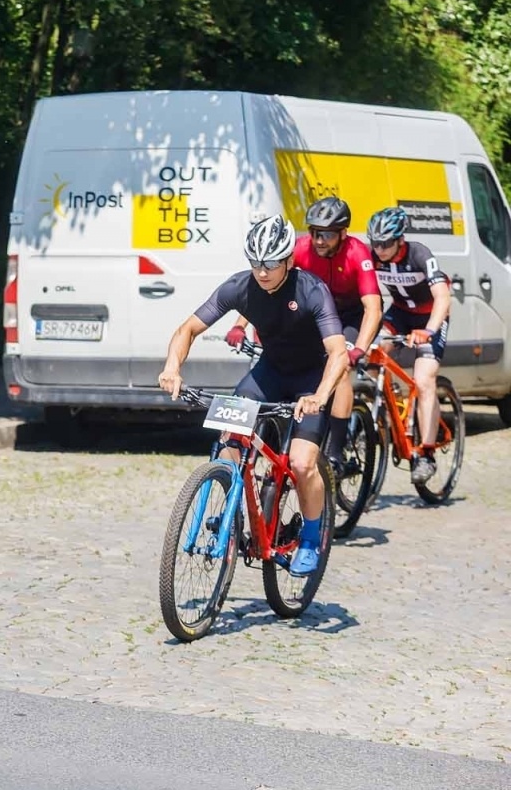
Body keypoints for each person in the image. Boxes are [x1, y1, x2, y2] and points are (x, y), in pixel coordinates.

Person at [160, 215, 348, 576]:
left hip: (310, 379)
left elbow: (338, 353)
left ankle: (311, 537)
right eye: (256, 263)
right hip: (269, 373)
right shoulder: (239, 287)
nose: (262, 272)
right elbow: (188, 329)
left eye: (271, 263)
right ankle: (230, 510)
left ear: (289, 261)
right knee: (229, 445)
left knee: (302, 463)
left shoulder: (311, 291)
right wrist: (172, 368)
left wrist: (321, 396)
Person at [227, 196, 380, 473]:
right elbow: (265, 288)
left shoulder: (358, 253)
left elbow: (373, 307)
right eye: (314, 232)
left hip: (349, 317)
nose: (319, 240)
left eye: (327, 234)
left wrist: (359, 347)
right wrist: (240, 323)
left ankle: (336, 454)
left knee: (341, 367)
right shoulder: (299, 249)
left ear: (343, 234)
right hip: (315, 315)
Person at [367, 206, 453, 482]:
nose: (379, 249)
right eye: (375, 243)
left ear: (400, 240)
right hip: (401, 313)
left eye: (386, 243)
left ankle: (426, 453)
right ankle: (392, 396)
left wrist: (428, 330)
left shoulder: (420, 254)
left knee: (424, 379)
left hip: (430, 316)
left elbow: (442, 297)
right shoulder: (374, 258)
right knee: (370, 356)